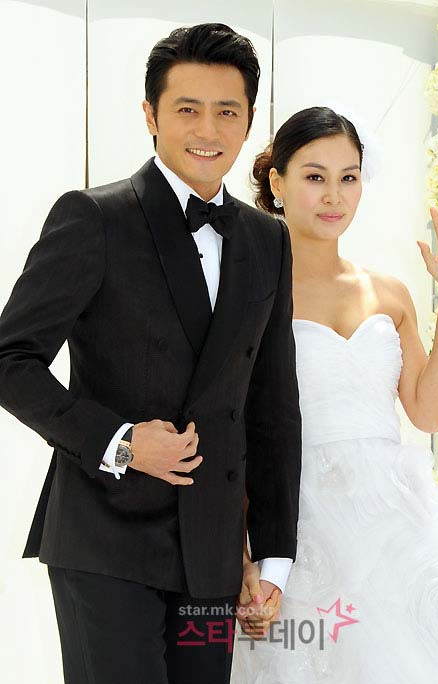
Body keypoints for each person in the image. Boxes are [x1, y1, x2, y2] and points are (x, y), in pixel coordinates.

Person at [0, 23, 302, 684]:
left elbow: (273, 405)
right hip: (104, 539)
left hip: (212, 554)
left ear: (249, 120)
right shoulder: (94, 217)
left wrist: (272, 555)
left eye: (227, 111)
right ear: (150, 115)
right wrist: (122, 441)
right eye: (187, 109)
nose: (208, 129)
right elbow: (11, 360)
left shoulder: (267, 240)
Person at [231, 106, 438, 683]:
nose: (334, 196)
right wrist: (245, 556)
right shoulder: (250, 295)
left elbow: (428, 413)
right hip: (301, 519)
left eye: (348, 177)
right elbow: (235, 434)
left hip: (396, 520)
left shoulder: (388, 293)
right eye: (315, 176)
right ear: (277, 182)